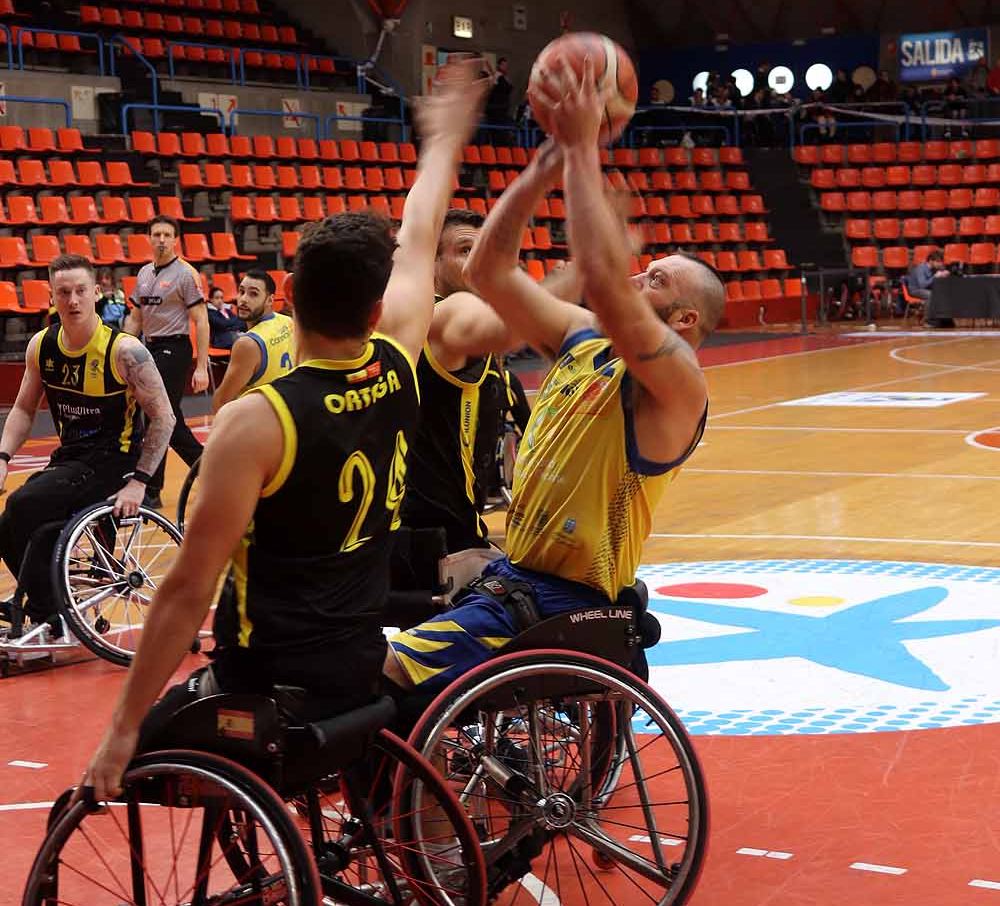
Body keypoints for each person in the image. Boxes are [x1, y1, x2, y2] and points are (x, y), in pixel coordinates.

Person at [82, 58, 488, 802]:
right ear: (376, 310)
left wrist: (121, 729)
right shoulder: (400, 363)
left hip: (266, 681)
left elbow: (185, 592)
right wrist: (443, 142)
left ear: (289, 294)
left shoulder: (256, 422)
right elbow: (421, 229)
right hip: (361, 661)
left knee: (119, 775)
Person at [384, 52, 722, 700]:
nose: (637, 276)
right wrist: (546, 164)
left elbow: (603, 278)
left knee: (378, 675)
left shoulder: (678, 381)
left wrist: (582, 150)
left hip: (565, 600)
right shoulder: (583, 337)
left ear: (684, 319)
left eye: (656, 279)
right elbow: (487, 271)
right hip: (515, 578)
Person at [0, 254, 175, 635]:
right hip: (72, 460)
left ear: (97, 292)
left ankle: (52, 612)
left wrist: (140, 482)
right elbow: (24, 409)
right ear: (52, 296)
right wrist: (3, 458)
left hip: (115, 460)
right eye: (64, 292)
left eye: (81, 291)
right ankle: (53, 604)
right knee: (9, 527)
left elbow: (164, 417)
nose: (73, 300)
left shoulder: (124, 351)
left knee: (23, 505)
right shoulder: (42, 346)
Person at [398, 208, 577, 562]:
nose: (478, 263)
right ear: (431, 261)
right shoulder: (448, 311)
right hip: (433, 538)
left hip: (441, 526)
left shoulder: (435, 317)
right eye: (465, 251)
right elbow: (517, 324)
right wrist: (585, 270)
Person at [125, 216, 209, 508]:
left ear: (175, 240)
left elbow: (201, 319)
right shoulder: (144, 273)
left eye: (167, 234)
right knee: (172, 421)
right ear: (149, 238)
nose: (161, 239)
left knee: (156, 415)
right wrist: (120, 349)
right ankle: (211, 470)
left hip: (175, 348)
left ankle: (151, 489)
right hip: (150, 348)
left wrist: (201, 366)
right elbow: (135, 318)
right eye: (156, 234)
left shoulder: (185, 274)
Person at [212, 270, 294, 410]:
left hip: (260, 418)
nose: (243, 299)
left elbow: (220, 403)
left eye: (253, 294)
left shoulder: (248, 344)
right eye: (241, 291)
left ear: (270, 300)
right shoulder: (288, 321)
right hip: (290, 412)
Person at [206, 285, 242, 351]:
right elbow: (222, 324)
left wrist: (229, 325)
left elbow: (239, 321)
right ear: (211, 299)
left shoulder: (226, 310)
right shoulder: (210, 313)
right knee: (243, 342)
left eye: (221, 298)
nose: (220, 300)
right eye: (217, 298)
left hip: (232, 336)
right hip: (220, 341)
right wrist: (232, 324)